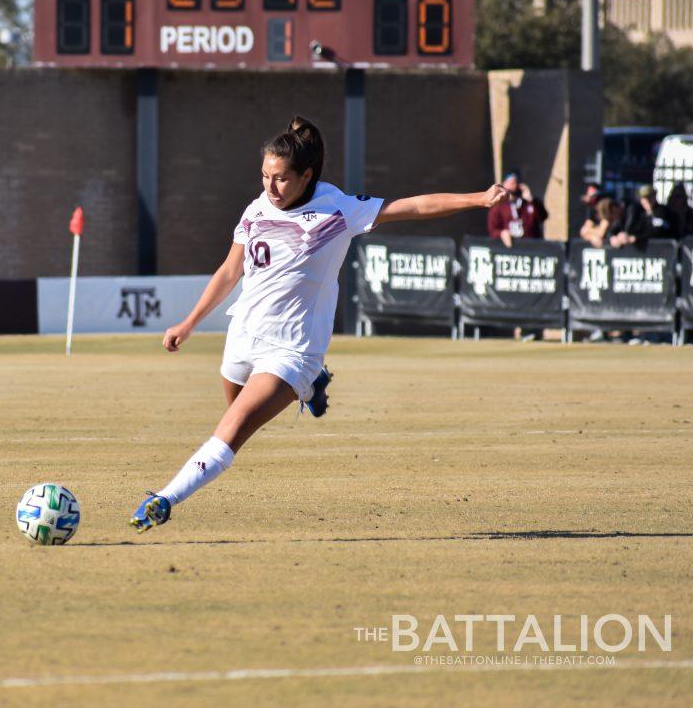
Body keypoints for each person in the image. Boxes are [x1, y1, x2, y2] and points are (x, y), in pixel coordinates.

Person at [129, 117, 507, 532]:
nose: (270, 188)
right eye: (265, 176)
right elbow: (229, 270)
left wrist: (479, 199)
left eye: (281, 179)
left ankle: (164, 499)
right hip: (243, 337)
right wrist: (189, 323)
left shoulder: (337, 209)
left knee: (231, 430)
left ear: (307, 176)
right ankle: (311, 388)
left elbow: (412, 206)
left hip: (292, 348)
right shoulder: (257, 208)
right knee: (233, 415)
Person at [487, 170, 547, 246]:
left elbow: (543, 217)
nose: (513, 185)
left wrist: (531, 200)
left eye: (515, 182)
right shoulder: (498, 206)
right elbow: (492, 230)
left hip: (531, 247)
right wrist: (502, 233)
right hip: (511, 249)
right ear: (504, 184)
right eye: (510, 182)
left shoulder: (529, 203)